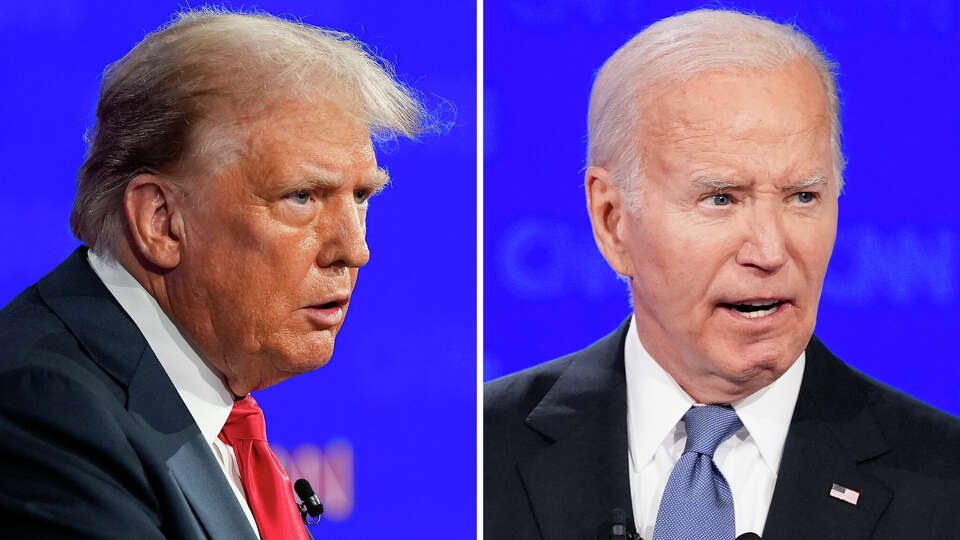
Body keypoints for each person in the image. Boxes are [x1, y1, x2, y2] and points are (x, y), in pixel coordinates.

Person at [484, 9, 960, 540]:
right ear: (613, 222)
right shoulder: (476, 450)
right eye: (721, 199)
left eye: (803, 196)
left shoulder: (946, 481)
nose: (770, 250)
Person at [0, 8, 425, 539]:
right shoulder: (46, 408)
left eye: (361, 196)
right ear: (162, 222)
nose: (354, 249)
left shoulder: (206, 406)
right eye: (301, 196)